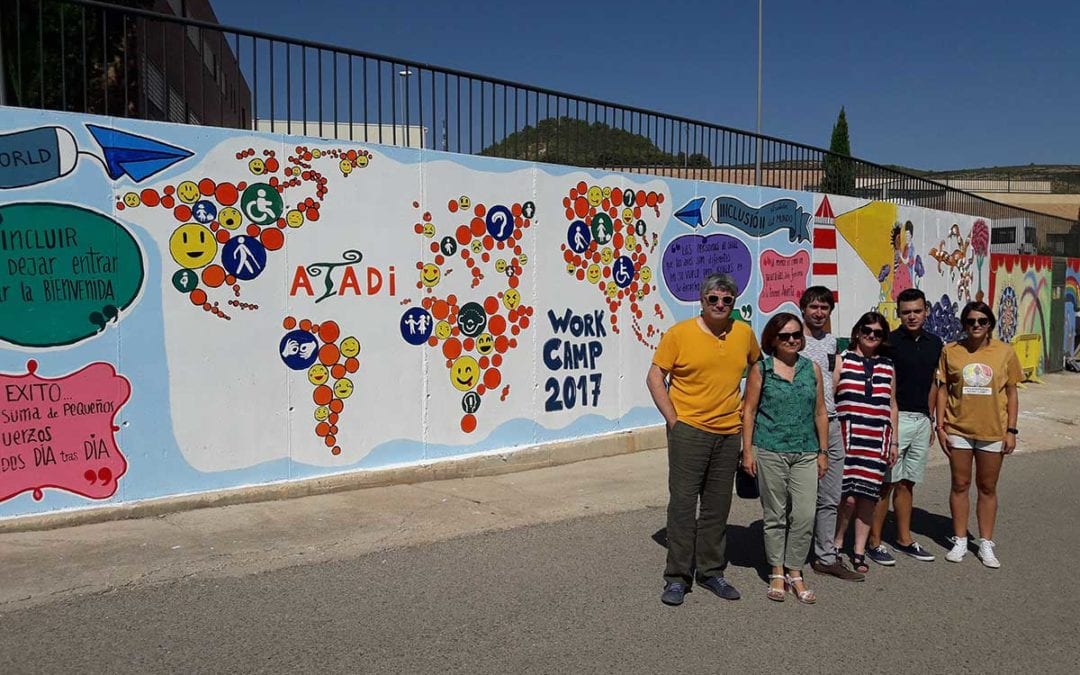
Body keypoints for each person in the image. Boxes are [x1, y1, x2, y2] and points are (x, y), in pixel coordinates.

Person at [647, 273, 761, 606]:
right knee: (683, 505)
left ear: (734, 303)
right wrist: (673, 420)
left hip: (728, 434)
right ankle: (677, 577)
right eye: (714, 299)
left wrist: (748, 409)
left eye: (727, 300)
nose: (720, 305)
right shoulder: (679, 334)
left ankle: (711, 572)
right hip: (690, 432)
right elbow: (655, 376)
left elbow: (756, 366)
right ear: (702, 300)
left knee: (717, 506)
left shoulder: (743, 333)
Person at [741, 313, 829, 603]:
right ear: (773, 340)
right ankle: (777, 570)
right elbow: (749, 412)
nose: (791, 340)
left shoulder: (811, 369)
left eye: (796, 335)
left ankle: (795, 570)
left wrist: (824, 451)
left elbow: (819, 412)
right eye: (784, 336)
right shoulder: (761, 369)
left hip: (806, 451)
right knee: (775, 515)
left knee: (804, 515)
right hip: (770, 450)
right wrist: (748, 450)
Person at [935, 301, 1021, 568]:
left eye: (982, 321)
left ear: (990, 325)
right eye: (970, 321)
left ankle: (985, 542)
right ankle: (960, 539)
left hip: (993, 430)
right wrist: (940, 426)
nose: (976, 326)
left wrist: (1011, 431)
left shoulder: (1004, 352)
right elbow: (942, 389)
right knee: (960, 484)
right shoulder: (951, 351)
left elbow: (1012, 392)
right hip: (958, 428)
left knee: (987, 487)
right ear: (964, 324)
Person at [866, 288, 943, 565]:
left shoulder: (936, 343)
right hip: (895, 421)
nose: (912, 316)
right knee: (886, 483)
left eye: (917, 311)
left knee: (907, 483)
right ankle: (873, 543)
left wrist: (932, 420)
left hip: (922, 420)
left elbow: (935, 383)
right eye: (906, 312)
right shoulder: (889, 343)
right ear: (899, 313)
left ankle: (904, 539)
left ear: (926, 311)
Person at [800, 287, 864, 581]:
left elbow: (832, 379)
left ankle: (825, 556)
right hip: (801, 425)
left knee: (830, 495)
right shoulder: (792, 338)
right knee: (798, 496)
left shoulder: (830, 342)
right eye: (813, 306)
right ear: (803, 308)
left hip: (833, 422)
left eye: (824, 308)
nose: (819, 312)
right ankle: (790, 558)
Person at [833, 311, 898, 574]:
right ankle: (836, 543)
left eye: (878, 333)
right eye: (867, 330)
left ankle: (859, 551)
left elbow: (892, 405)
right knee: (846, 498)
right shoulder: (842, 360)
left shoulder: (888, 365)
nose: (871, 336)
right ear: (857, 332)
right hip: (848, 437)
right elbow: (830, 396)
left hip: (876, 439)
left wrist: (893, 441)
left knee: (868, 498)